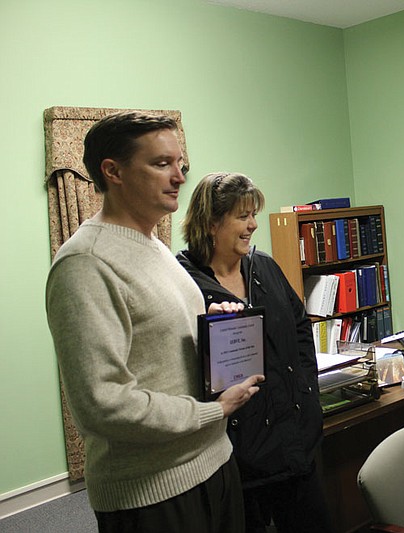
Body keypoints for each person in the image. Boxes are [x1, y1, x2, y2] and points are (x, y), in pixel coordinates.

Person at [45, 111, 264, 533]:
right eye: (161, 164)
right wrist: (211, 411)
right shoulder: (85, 263)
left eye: (180, 164)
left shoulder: (155, 246)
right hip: (153, 494)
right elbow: (103, 403)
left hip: (214, 463)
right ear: (113, 171)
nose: (179, 176)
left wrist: (207, 325)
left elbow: (158, 342)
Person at [177, 172, 331, 533]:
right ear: (212, 223)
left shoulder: (263, 267)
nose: (253, 225)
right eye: (243, 216)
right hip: (237, 456)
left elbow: (299, 326)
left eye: (253, 215)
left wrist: (306, 390)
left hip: (294, 440)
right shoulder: (184, 284)